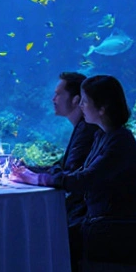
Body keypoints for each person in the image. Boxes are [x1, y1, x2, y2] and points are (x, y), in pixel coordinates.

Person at [10, 74, 136, 272]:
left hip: (115, 238)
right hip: (100, 227)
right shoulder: (103, 135)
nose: (80, 105)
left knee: (37, 238)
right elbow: (78, 173)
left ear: (102, 108)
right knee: (39, 233)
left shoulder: (120, 142)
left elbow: (84, 179)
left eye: (84, 101)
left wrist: (37, 178)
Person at [21, 72, 99, 226]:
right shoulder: (81, 128)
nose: (53, 99)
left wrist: (35, 177)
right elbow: (63, 167)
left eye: (58, 94)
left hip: (85, 218)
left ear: (76, 100)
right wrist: (28, 169)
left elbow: (71, 174)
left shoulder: (87, 130)